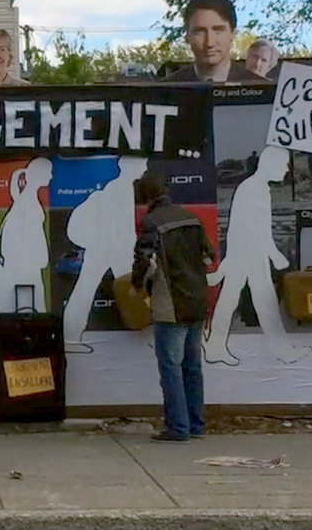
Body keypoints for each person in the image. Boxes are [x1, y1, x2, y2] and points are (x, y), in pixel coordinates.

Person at [129, 169, 214, 443]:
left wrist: (136, 285)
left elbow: (144, 261)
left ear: (145, 196)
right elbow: (209, 256)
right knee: (192, 366)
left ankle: (178, 428)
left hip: (171, 302)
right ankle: (196, 425)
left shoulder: (152, 221)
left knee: (170, 367)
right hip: (197, 299)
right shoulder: (191, 217)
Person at [163, 0, 265, 83]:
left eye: (218, 31)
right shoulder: (164, 91)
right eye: (200, 32)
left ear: (232, 33)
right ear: (187, 36)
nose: (209, 43)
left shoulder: (263, 89)